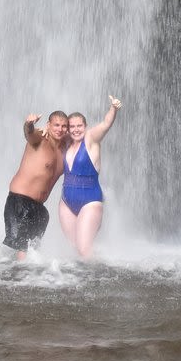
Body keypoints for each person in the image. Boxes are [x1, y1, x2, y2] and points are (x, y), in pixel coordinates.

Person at [59, 95, 122, 258]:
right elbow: (51, 131)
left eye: (79, 126)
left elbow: (106, 124)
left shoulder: (91, 139)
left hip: (90, 201)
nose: (75, 129)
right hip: (66, 202)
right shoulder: (65, 142)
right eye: (72, 126)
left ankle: (97, 279)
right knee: (75, 248)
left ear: (85, 127)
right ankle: (77, 282)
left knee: (84, 250)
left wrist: (113, 108)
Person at [3, 111, 69, 260]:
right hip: (20, 201)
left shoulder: (64, 148)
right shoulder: (40, 138)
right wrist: (29, 124)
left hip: (40, 209)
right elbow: (29, 133)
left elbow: (83, 135)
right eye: (56, 125)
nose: (60, 129)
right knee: (23, 250)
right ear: (48, 125)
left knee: (32, 253)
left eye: (64, 126)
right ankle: (19, 280)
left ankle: (24, 278)